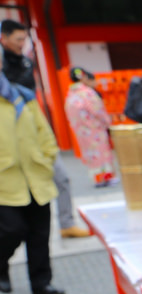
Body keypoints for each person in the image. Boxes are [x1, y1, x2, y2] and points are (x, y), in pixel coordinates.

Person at [1, 19, 88, 239]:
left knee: (61, 178)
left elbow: (31, 100)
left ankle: (67, 223)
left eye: (24, 39)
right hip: (9, 142)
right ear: (4, 38)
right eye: (18, 39)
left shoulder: (26, 62)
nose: (22, 43)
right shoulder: (5, 64)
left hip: (32, 132)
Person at [0, 71, 65, 294]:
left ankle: (41, 283)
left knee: (39, 234)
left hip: (36, 176)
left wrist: (47, 159)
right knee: (11, 229)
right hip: (4, 182)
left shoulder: (22, 95)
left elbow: (43, 131)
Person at [64, 67, 117, 188]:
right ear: (85, 78)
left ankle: (97, 179)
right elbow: (97, 110)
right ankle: (106, 177)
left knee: (91, 155)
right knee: (101, 153)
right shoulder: (87, 93)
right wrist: (107, 122)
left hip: (81, 131)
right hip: (95, 128)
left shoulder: (70, 95)